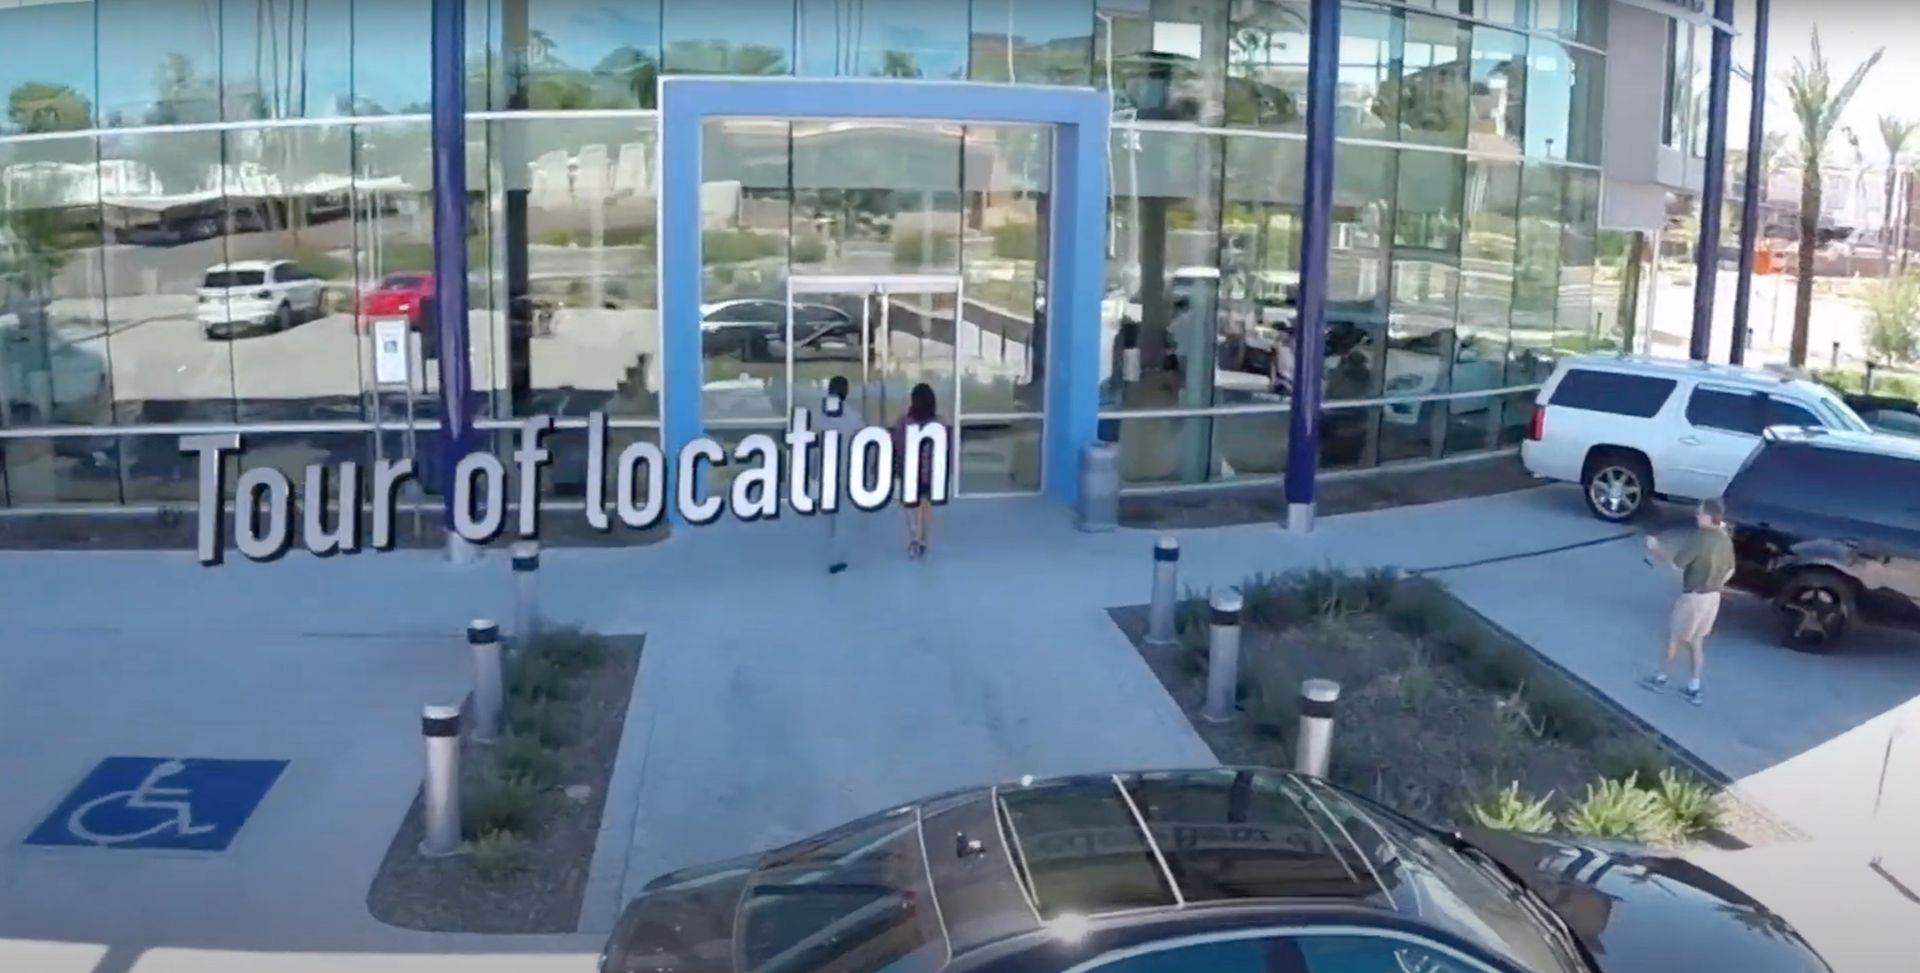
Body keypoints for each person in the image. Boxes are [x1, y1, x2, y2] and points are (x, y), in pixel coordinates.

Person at [1640, 498, 1737, 706]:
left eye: (1699, 513)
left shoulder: (1701, 538)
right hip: (1713, 598)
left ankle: (1660, 678)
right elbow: (1731, 570)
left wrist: (1655, 548)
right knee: (1696, 641)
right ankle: (1694, 686)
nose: (1696, 515)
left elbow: (1676, 564)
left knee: (1675, 639)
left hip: (1693, 597)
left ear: (1708, 517)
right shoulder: (1725, 539)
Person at [814, 376, 865, 575]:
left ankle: (828, 553)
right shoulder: (854, 417)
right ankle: (836, 558)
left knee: (827, 517)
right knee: (841, 517)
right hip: (844, 472)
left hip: (823, 472)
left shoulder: (818, 415)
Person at [891, 382, 947, 560]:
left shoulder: (904, 422)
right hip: (930, 472)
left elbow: (896, 445)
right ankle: (924, 540)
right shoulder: (939, 422)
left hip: (909, 471)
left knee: (910, 507)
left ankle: (914, 537)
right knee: (926, 506)